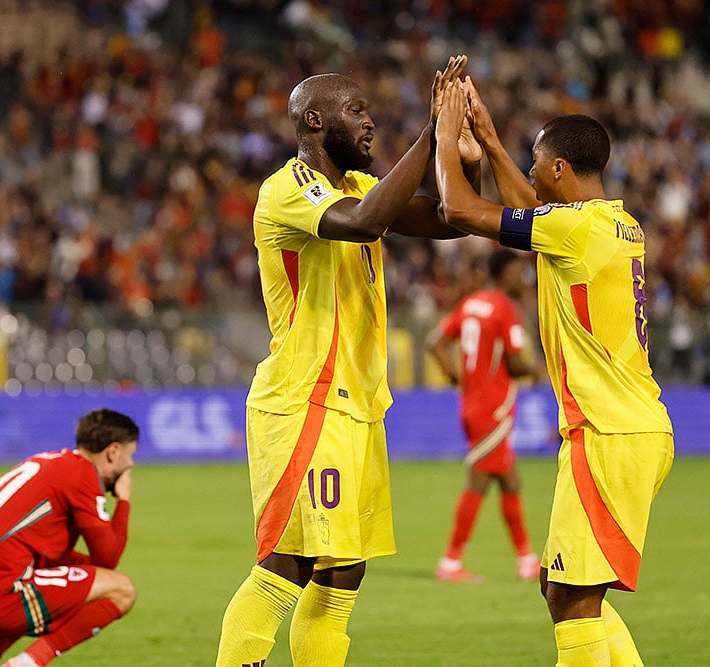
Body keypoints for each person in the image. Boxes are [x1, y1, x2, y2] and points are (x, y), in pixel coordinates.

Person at [215, 55, 481, 666]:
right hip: (306, 400)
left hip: (358, 405)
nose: (369, 124)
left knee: (342, 574)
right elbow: (361, 226)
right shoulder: (286, 190)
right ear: (314, 121)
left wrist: (465, 155)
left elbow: (453, 219)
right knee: (288, 563)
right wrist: (429, 133)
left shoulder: (362, 187)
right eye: (356, 112)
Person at [434, 78, 674, 666]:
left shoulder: (576, 229)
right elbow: (537, 215)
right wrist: (489, 143)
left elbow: (460, 209)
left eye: (537, 165)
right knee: (564, 586)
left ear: (561, 168)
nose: (531, 175)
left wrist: (444, 134)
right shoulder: (616, 225)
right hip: (629, 426)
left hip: (608, 431)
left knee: (571, 598)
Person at [0, 409, 139, 667]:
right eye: (130, 456)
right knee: (122, 590)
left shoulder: (47, 463)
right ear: (113, 452)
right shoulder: (82, 473)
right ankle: (27, 664)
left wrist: (84, 568)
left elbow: (46, 553)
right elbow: (108, 558)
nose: (131, 465)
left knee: (44, 580)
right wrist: (124, 501)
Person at [427, 248, 543, 583]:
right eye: (519, 273)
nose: (524, 279)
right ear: (505, 274)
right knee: (478, 479)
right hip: (492, 407)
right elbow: (514, 361)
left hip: (473, 403)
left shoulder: (471, 303)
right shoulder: (507, 310)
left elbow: (435, 342)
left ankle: (526, 559)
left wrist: (455, 377)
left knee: (509, 479)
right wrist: (536, 371)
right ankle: (451, 561)